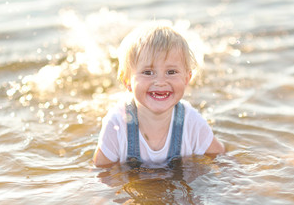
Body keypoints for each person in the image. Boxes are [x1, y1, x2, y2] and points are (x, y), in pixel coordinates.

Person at [93, 22, 225, 168]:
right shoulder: (116, 124)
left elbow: (221, 159)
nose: (161, 82)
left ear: (187, 78)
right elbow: (101, 172)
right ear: (127, 81)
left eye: (171, 72)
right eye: (148, 72)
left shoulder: (192, 122)